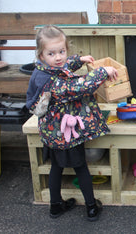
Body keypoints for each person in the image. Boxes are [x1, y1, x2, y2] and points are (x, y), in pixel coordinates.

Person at [25, 25, 118, 221]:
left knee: (56, 168)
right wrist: (102, 72)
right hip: (65, 133)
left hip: (51, 132)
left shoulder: (45, 69)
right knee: (81, 167)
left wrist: (78, 60)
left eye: (62, 51)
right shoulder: (49, 81)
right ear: (41, 54)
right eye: (52, 53)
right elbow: (79, 86)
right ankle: (91, 207)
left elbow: (64, 68)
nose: (58, 57)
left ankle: (55, 206)